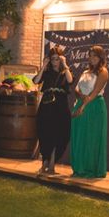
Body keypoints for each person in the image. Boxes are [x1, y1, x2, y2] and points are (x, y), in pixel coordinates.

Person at [33, 46, 73, 175]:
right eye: (52, 59)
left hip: (60, 107)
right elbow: (36, 81)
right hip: (47, 105)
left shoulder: (65, 72)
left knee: (60, 134)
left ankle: (52, 164)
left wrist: (65, 64)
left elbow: (70, 80)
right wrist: (43, 66)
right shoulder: (47, 71)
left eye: (57, 59)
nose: (55, 61)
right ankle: (45, 161)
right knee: (45, 133)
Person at [70, 46, 109, 178]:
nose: (92, 58)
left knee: (92, 138)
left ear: (101, 58)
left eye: (95, 56)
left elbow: (95, 92)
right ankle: (79, 168)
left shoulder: (103, 72)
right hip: (81, 103)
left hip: (94, 106)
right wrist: (79, 99)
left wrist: (83, 107)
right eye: (90, 55)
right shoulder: (85, 72)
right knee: (80, 137)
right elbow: (76, 89)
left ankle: (91, 169)